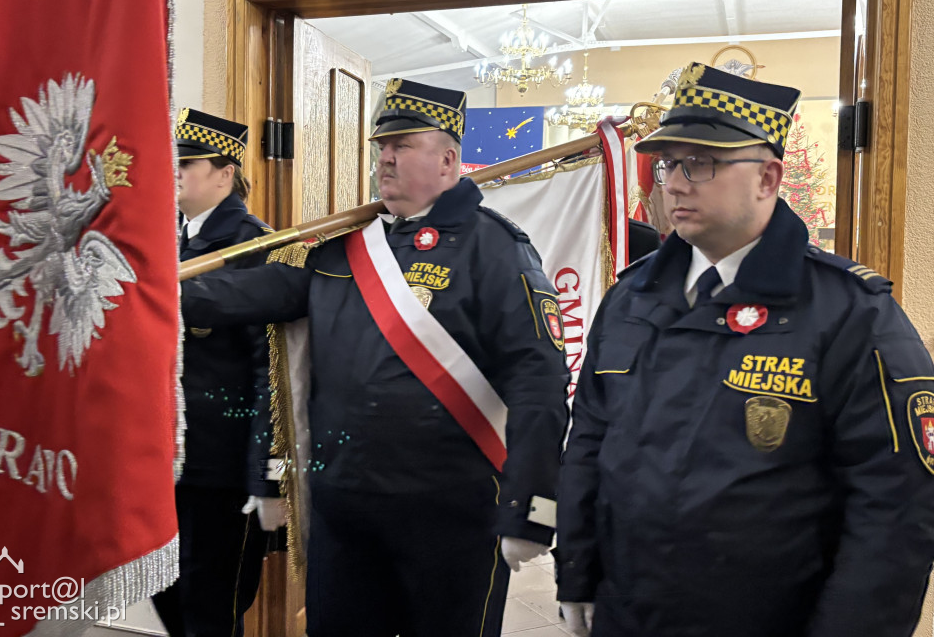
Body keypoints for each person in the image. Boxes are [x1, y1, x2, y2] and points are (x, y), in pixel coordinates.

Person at [555, 62, 934, 637]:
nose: (674, 183)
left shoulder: (850, 311)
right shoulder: (630, 297)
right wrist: (577, 572)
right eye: (666, 165)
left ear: (767, 178)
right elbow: (589, 444)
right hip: (629, 612)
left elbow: (895, 510)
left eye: (699, 163)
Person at [182, 79, 570, 637]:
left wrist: (532, 502)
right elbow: (259, 296)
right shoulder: (347, 249)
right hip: (344, 507)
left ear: (448, 159)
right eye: (381, 146)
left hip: (450, 512)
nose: (385, 158)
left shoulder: (497, 248)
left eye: (404, 145)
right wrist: (163, 293)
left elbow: (538, 377)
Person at [152, 108, 286, 637]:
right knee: (164, 595)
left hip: (222, 470)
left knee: (210, 612)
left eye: (185, 164)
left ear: (224, 173)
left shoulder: (255, 248)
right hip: (166, 463)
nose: (173, 175)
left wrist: (264, 476)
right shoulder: (169, 240)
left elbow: (270, 373)